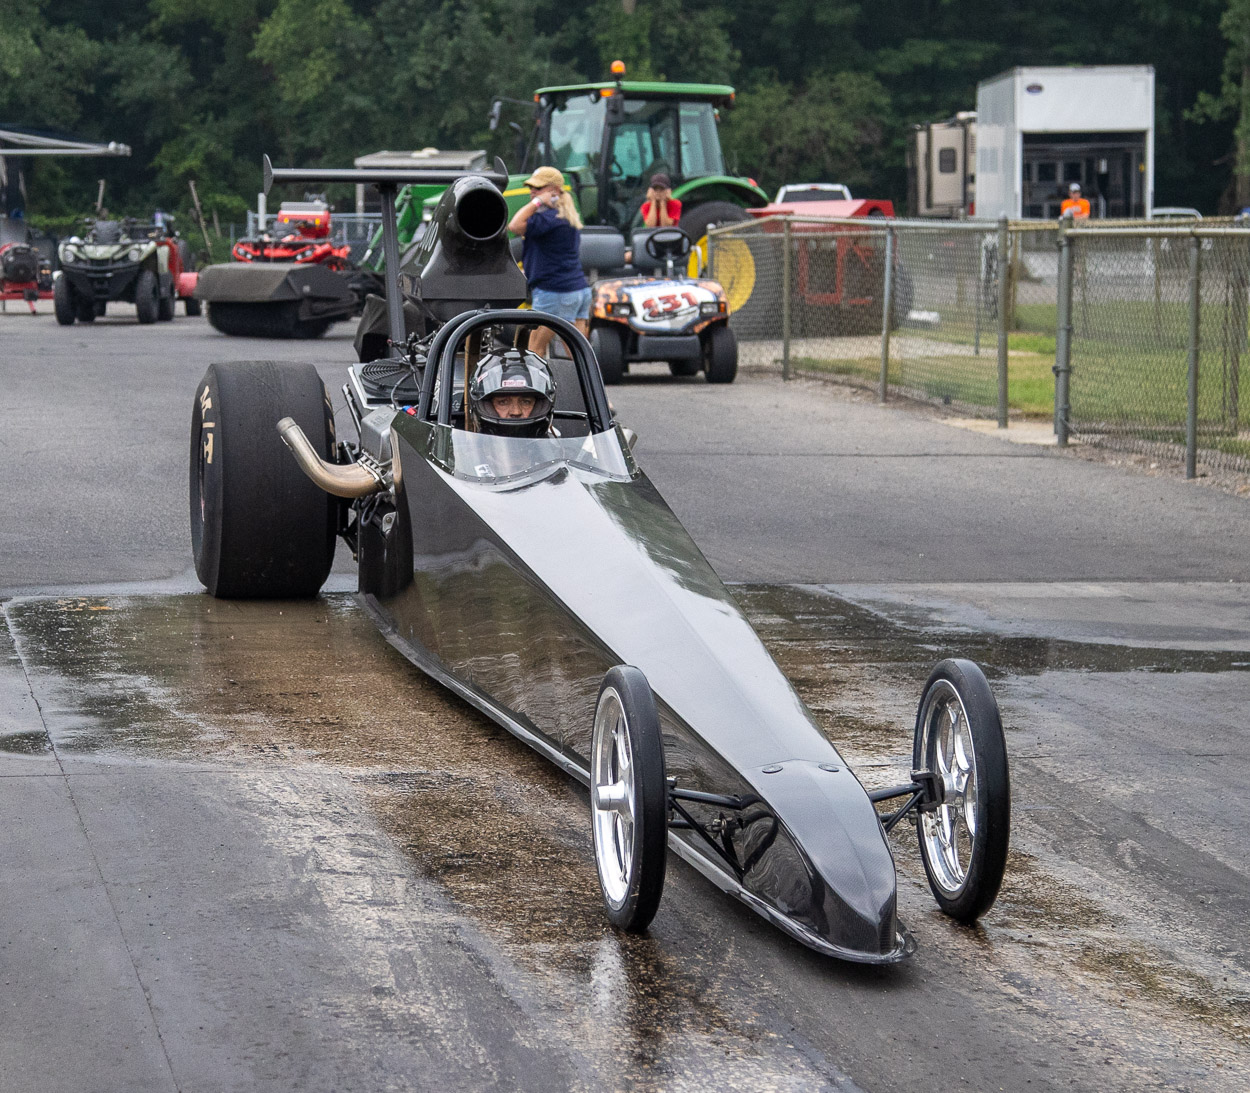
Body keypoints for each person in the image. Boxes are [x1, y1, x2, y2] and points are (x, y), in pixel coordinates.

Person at [507, 165, 589, 357]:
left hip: (554, 292)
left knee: (534, 350)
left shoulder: (549, 219)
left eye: (539, 188)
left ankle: (536, 380)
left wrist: (536, 203)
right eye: (531, 188)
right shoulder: (565, 216)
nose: (532, 192)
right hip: (577, 290)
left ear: (555, 191)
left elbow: (514, 225)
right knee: (579, 354)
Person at [466, 347, 557, 438]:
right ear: (486, 406)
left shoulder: (560, 446)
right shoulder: (462, 446)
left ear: (540, 405)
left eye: (526, 402)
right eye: (503, 402)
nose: (516, 412)